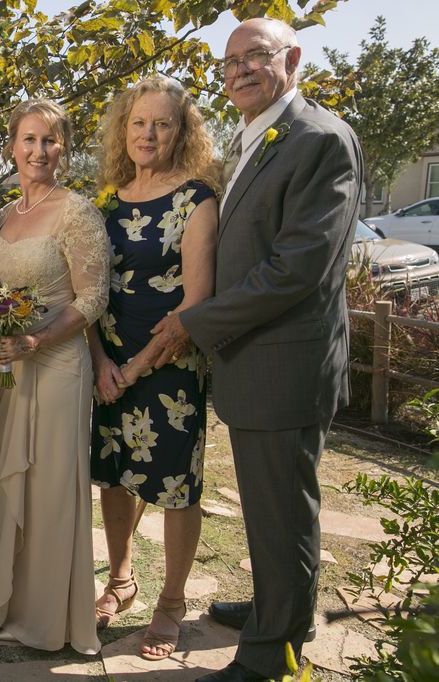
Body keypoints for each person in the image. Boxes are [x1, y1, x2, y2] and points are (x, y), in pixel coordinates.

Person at [151, 19, 362, 682]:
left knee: (283, 511)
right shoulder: (255, 135)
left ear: (292, 59)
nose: (239, 70)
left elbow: (296, 268)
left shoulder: (320, 139)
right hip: (255, 363)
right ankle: (280, 607)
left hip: (286, 366)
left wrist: (195, 321)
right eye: (230, 61)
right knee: (269, 509)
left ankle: (270, 655)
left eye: (255, 56)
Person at [89, 76, 219, 661]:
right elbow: (89, 288)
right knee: (116, 476)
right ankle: (121, 579)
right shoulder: (107, 200)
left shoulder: (197, 200)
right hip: (108, 365)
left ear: (181, 132)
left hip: (168, 367)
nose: (148, 133)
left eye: (162, 123)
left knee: (175, 486)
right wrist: (101, 361)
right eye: (139, 122)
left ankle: (171, 602)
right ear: (124, 129)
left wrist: (136, 366)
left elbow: (196, 301)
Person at [0, 99, 108, 655]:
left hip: (58, 365)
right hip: (14, 368)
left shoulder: (77, 212)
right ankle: (11, 600)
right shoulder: (3, 215)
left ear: (64, 149)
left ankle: (50, 617)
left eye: (50, 140)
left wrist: (37, 340)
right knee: (18, 479)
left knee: (54, 485)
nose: (38, 151)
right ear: (12, 145)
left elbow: (93, 297)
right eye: (29, 139)